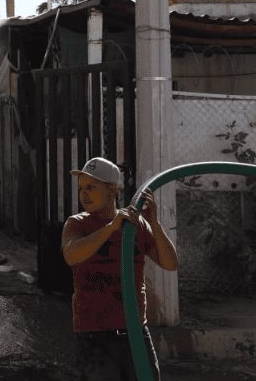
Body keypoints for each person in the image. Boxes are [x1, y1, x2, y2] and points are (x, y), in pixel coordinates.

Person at [61, 157, 179, 381]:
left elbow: (170, 264)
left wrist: (154, 222)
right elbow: (71, 255)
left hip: (135, 331)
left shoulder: (135, 224)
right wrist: (110, 228)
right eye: (81, 189)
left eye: (92, 187)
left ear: (112, 190)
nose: (84, 194)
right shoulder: (76, 224)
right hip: (94, 333)